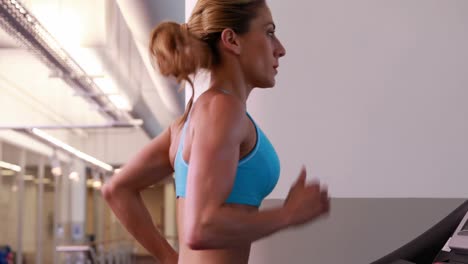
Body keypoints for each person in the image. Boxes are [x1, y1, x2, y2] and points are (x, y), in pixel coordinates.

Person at [102, 0, 330, 263]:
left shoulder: (190, 120)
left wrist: (170, 259)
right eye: (268, 32)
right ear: (232, 40)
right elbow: (202, 227)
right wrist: (289, 214)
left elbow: (117, 190)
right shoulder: (223, 109)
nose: (280, 49)